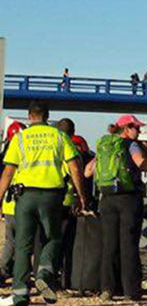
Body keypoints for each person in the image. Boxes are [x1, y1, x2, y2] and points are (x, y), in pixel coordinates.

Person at [0, 103, 89, 306]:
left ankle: (20, 296)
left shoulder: (20, 138)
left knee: (22, 246)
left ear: (30, 116)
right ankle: (44, 274)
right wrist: (81, 196)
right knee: (53, 238)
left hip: (24, 197)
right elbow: (75, 168)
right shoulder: (59, 136)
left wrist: (0, 198)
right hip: (51, 197)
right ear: (48, 117)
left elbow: (8, 172)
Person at [88, 114, 147, 301]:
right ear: (126, 128)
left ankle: (107, 288)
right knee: (128, 244)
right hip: (129, 199)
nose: (138, 132)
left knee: (109, 244)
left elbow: (88, 171)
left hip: (106, 199)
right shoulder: (130, 145)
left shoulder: (105, 145)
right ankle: (131, 290)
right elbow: (141, 163)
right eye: (136, 128)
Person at [55, 118, 93, 287]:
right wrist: (82, 198)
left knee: (46, 241)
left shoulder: (51, 147)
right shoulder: (71, 149)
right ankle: (64, 280)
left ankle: (47, 278)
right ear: (73, 132)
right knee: (66, 243)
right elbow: (77, 173)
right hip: (68, 201)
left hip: (49, 199)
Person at [0, 122, 26, 281]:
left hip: (10, 204)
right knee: (15, 241)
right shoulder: (19, 156)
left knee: (13, 240)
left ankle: (11, 270)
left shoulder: (4, 157)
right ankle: (3, 270)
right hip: (17, 203)